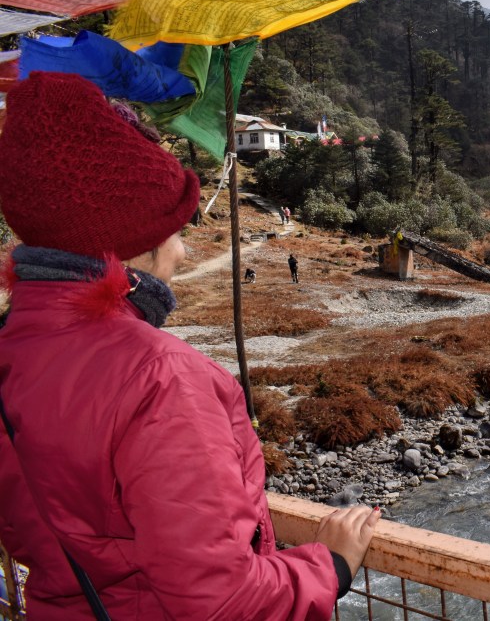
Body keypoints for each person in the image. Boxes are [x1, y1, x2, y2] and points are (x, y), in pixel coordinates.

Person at [0, 72, 379, 620]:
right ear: (134, 245)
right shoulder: (162, 378)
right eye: (175, 233)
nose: (180, 254)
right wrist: (332, 566)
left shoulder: (13, 348)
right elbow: (221, 600)